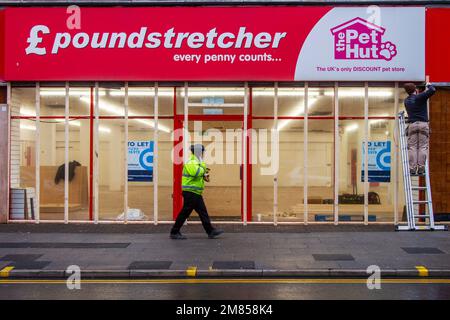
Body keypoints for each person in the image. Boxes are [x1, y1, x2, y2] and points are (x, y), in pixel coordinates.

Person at [170, 144, 224, 240]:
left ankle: (210, 231)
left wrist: (204, 172)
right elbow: (196, 173)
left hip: (195, 192)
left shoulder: (198, 162)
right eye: (202, 152)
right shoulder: (191, 162)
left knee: (202, 212)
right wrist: (204, 169)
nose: (203, 153)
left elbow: (201, 172)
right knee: (185, 212)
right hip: (190, 192)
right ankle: (174, 232)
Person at [403, 82, 436, 175]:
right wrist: (428, 85)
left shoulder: (406, 101)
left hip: (412, 125)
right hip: (423, 124)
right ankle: (421, 168)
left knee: (412, 147)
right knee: (422, 147)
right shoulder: (420, 97)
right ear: (415, 90)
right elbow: (432, 90)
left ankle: (412, 168)